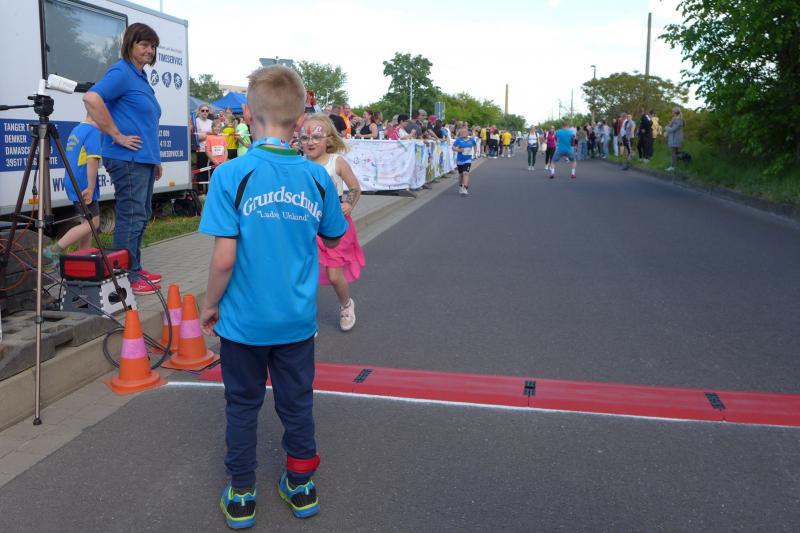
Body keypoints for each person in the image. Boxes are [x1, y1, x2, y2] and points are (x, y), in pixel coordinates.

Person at [199, 65, 348, 529]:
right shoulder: (317, 178)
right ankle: (301, 485)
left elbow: (224, 259)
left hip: (243, 322)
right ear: (302, 119)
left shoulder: (230, 175)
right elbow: (334, 235)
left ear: (247, 114)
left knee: (242, 405)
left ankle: (242, 492)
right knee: (296, 404)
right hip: (296, 321)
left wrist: (209, 304)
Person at [83, 22, 163, 295]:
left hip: (143, 159)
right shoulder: (121, 71)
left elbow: (145, 122)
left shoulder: (140, 77)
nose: (150, 50)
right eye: (145, 44)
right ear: (130, 44)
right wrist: (116, 135)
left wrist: (155, 159)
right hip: (127, 159)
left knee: (141, 214)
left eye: (153, 46)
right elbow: (92, 99)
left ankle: (134, 267)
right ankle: (125, 276)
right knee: (131, 215)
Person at [301, 114, 364, 330]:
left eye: (316, 137)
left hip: (334, 225)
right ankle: (306, 319)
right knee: (305, 274)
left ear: (328, 139)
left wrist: (348, 204)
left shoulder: (336, 161)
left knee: (335, 276)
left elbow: (355, 187)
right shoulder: (299, 164)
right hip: (308, 225)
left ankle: (346, 305)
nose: (310, 142)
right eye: (305, 138)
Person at [42, 116, 102, 264]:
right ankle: (53, 250)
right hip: (83, 183)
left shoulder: (77, 130)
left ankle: (83, 257)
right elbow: (92, 160)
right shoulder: (93, 131)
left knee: (86, 223)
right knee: (93, 223)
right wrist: (91, 187)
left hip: (72, 180)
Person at [453, 126, 477, 196]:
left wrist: (474, 153)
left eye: (465, 132)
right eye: (462, 132)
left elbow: (475, 145)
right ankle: (460, 186)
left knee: (465, 173)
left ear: (468, 132)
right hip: (460, 159)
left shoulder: (471, 140)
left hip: (468, 159)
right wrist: (458, 150)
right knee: (461, 174)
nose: (463, 133)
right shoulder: (458, 140)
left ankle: (465, 188)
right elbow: (453, 147)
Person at [664, 107, 684, 171]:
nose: (671, 113)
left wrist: (666, 128)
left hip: (675, 139)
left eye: (672, 111)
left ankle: (673, 167)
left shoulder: (678, 120)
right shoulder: (675, 119)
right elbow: (672, 127)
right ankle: (675, 166)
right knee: (675, 153)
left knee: (673, 153)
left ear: (675, 112)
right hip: (674, 138)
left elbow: (673, 129)